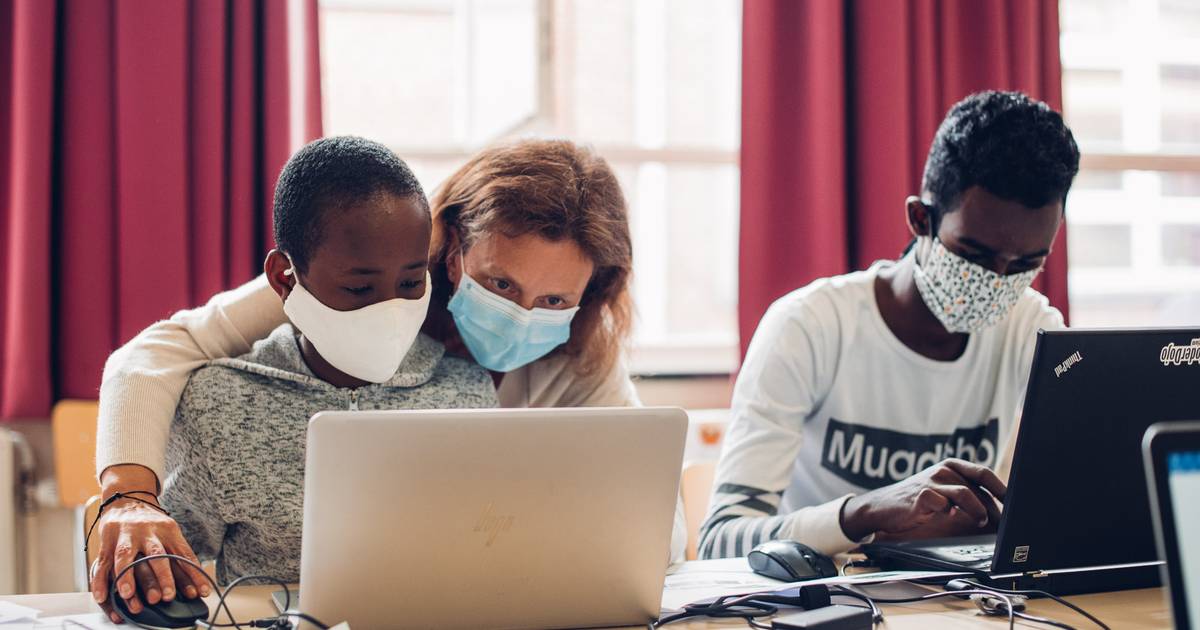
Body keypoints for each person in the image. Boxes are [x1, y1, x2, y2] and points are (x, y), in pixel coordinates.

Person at [90, 139, 685, 619]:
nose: (523, 314)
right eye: (502, 284)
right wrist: (127, 496)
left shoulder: (581, 354)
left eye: (554, 298)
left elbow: (653, 528)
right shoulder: (369, 285)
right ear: (451, 246)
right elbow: (150, 357)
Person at [698, 91, 1081, 559]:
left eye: (1026, 263)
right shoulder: (810, 327)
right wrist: (863, 513)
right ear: (921, 219)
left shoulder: (1033, 330)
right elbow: (721, 540)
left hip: (968, 604)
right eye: (975, 255)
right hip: (830, 606)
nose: (996, 281)